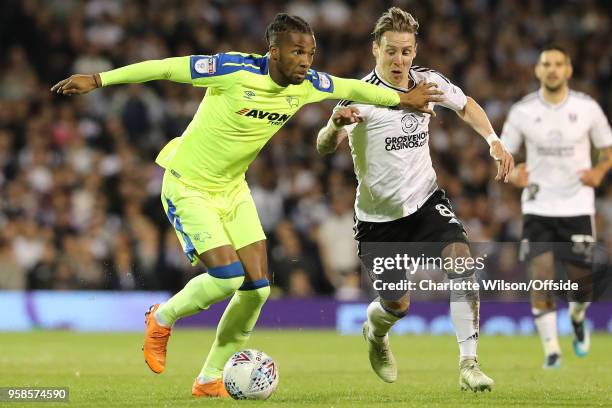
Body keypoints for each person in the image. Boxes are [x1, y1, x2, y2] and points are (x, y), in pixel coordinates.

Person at [51, 13, 444, 398]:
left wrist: (403, 100)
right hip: (189, 185)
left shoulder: (308, 83)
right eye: (296, 53)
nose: (306, 62)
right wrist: (100, 79)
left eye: (310, 53)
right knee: (226, 277)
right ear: (273, 52)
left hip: (233, 189)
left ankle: (208, 378)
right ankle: (161, 317)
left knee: (257, 289)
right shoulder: (232, 69)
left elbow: (357, 89)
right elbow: (167, 68)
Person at [316, 7, 514, 392]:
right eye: (391, 51)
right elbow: (324, 147)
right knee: (397, 305)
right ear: (376, 49)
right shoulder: (360, 96)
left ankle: (469, 364)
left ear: (415, 50)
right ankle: (374, 335)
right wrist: (333, 125)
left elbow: (467, 105)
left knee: (462, 263)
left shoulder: (428, 82)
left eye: (406, 52)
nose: (399, 60)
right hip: (378, 221)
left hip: (425, 202)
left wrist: (493, 141)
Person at [502, 45, 612, 369]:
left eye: (558, 64)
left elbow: (607, 150)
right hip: (538, 206)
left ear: (568, 70)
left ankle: (578, 318)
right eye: (546, 64)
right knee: (541, 277)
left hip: (577, 206)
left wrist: (598, 172)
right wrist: (514, 175)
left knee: (580, 288)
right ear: (537, 70)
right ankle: (552, 351)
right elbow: (504, 156)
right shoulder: (522, 111)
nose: (552, 69)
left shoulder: (587, 108)